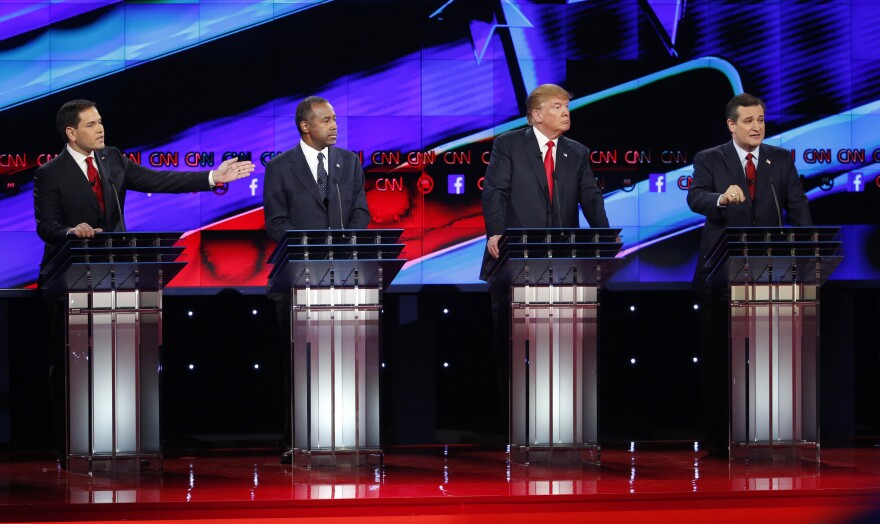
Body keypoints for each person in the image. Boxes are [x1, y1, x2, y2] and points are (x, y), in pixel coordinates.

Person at [33, 99, 255, 463]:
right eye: (91, 124)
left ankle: (120, 443)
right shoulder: (50, 174)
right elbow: (46, 225)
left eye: (101, 121)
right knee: (69, 364)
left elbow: (159, 179)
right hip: (67, 281)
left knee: (118, 359)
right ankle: (67, 445)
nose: (101, 128)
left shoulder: (113, 159)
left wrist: (212, 177)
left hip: (116, 277)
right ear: (71, 133)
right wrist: (72, 231)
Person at [687, 93, 813, 458]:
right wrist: (720, 200)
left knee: (768, 356)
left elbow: (798, 208)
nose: (757, 126)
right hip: (721, 274)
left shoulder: (780, 160)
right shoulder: (710, 158)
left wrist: (806, 255)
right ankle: (718, 438)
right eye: (748, 121)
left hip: (771, 275)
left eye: (760, 119)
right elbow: (695, 198)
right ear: (731, 125)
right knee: (719, 358)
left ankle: (768, 432)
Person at [479, 83, 610, 434]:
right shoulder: (509, 144)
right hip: (514, 261)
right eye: (557, 106)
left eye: (567, 106)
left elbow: (590, 197)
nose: (566, 111)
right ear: (537, 115)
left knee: (562, 347)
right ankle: (514, 429)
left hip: (564, 265)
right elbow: (495, 191)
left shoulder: (577, 152)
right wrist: (496, 232)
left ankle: (564, 427)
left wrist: (606, 238)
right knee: (514, 349)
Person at [262, 96, 371, 463]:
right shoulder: (280, 167)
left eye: (335, 119)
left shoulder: (348, 162)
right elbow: (276, 223)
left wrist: (344, 249)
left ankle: (346, 436)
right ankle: (298, 440)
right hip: (298, 281)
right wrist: (313, 252)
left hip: (344, 280)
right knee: (300, 363)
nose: (334, 126)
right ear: (305, 126)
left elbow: (360, 211)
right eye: (326, 120)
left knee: (345, 360)